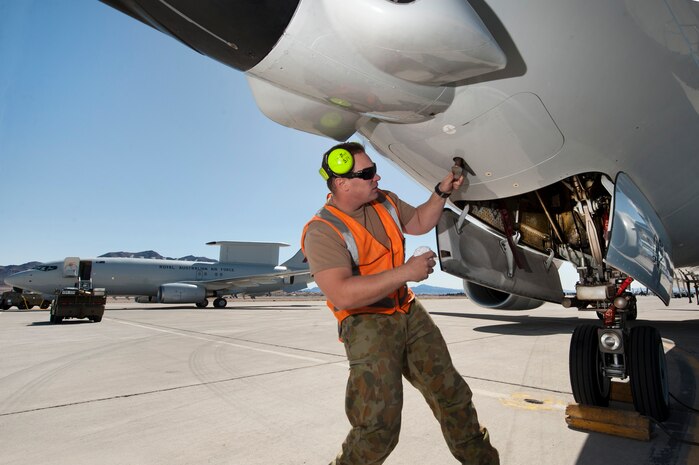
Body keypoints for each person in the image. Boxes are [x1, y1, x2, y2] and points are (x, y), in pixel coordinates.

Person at [301, 142, 499, 465]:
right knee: (378, 429)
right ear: (341, 183)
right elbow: (342, 294)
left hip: (407, 310)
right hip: (367, 324)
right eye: (367, 174)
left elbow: (420, 220)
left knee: (453, 396)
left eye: (373, 170)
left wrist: (440, 192)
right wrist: (405, 271)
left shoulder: (385, 201)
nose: (376, 177)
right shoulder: (322, 231)